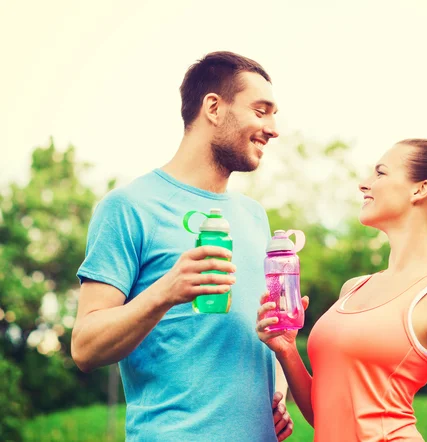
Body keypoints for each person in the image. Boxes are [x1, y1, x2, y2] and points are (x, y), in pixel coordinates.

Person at [72, 51, 293, 442]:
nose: (274, 129)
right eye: (261, 111)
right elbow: (85, 347)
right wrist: (166, 291)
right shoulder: (128, 207)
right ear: (213, 107)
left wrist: (277, 387)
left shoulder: (254, 216)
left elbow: (253, 328)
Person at [257, 139, 427, 441]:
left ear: (420, 189)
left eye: (380, 173)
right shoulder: (353, 288)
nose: (364, 184)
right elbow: (328, 415)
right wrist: (286, 349)